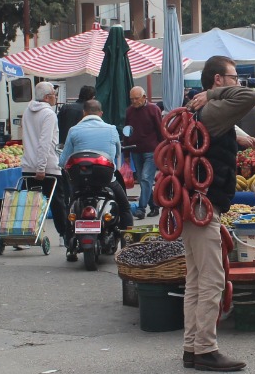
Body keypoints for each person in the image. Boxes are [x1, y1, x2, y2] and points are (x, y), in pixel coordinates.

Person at [180, 56, 255, 372]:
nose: (237, 82)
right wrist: (214, 96)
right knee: (212, 280)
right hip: (203, 205)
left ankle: (192, 347)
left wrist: (236, 137)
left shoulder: (201, 110)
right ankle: (206, 350)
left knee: (197, 280)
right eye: (233, 76)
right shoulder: (213, 105)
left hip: (190, 202)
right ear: (217, 80)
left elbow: (214, 132)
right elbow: (251, 97)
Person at [59, 99, 133, 230]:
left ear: (84, 113)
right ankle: (127, 242)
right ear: (101, 113)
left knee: (70, 206)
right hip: (106, 180)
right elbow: (116, 153)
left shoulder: (74, 130)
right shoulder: (111, 129)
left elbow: (63, 161)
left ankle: (68, 237)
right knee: (125, 206)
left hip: (80, 182)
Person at [21, 81, 72, 252]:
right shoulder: (49, 114)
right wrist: (41, 167)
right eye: (53, 95)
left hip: (28, 164)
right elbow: (45, 142)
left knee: (32, 202)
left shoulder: (27, 111)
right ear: (46, 97)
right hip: (47, 165)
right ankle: (64, 234)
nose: (55, 98)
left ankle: (25, 234)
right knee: (57, 202)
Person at [124, 86, 163, 218]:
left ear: (144, 97)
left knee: (146, 178)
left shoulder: (153, 109)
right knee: (142, 180)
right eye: (132, 99)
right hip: (135, 150)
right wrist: (126, 153)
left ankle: (141, 208)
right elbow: (127, 131)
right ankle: (154, 205)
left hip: (151, 150)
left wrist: (163, 150)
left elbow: (160, 130)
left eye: (136, 98)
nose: (134, 101)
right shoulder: (129, 111)